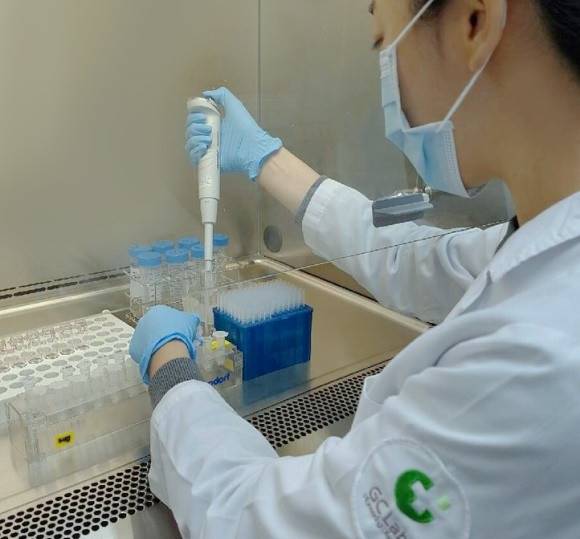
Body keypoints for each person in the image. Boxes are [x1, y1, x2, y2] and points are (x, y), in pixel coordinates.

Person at [130, 0, 580, 536]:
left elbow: (256, 524)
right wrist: (265, 158)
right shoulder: (549, 246)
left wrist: (172, 371)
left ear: (474, 22)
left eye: (384, 45)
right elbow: (418, 258)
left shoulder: (538, 360)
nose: (389, 90)